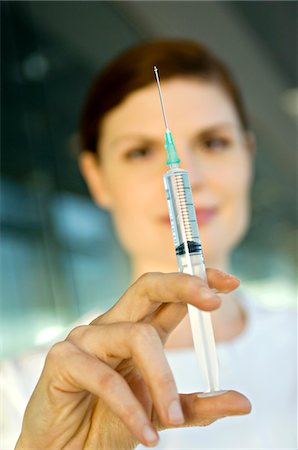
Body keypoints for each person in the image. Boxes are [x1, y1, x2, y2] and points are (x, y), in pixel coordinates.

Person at [1, 39, 296, 449]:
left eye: (213, 142)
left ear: (247, 155)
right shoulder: (28, 391)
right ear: (97, 177)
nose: (188, 178)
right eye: (139, 152)